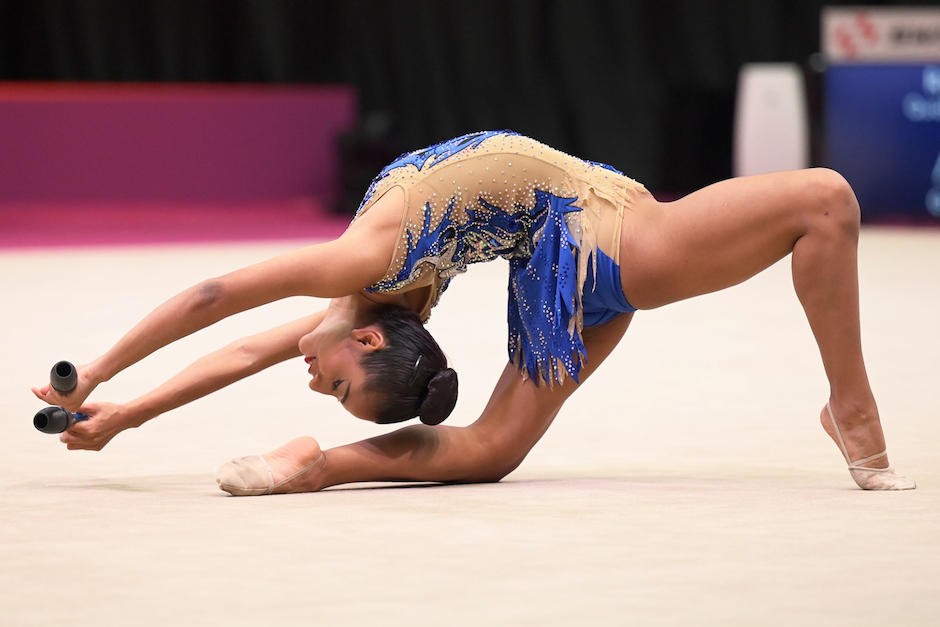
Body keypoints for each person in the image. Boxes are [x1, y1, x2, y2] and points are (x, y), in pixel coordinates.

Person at [31, 130, 915, 494]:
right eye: (333, 391)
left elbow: (213, 298)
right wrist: (121, 418)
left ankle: (851, 407)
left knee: (825, 201)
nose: (310, 375)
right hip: (552, 253)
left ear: (368, 336)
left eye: (333, 388)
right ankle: (321, 468)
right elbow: (244, 348)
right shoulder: (363, 305)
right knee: (492, 450)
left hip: (593, 223)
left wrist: (103, 374)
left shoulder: (361, 262)